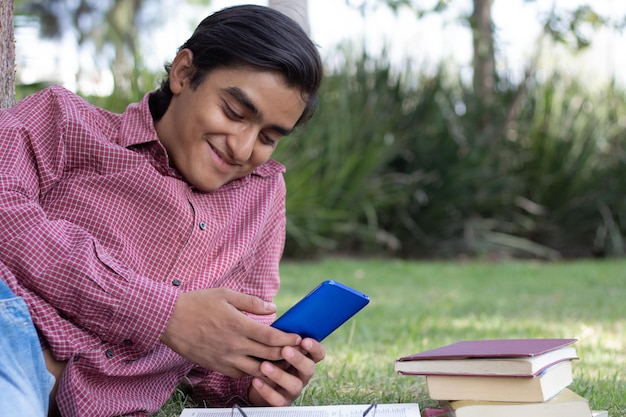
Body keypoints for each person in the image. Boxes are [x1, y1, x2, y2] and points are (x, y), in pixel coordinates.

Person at [0, 4, 324, 417]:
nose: (243, 148)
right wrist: (163, 314)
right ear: (184, 73)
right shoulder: (62, 121)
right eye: (234, 113)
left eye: (269, 137)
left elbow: (215, 367)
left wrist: (259, 379)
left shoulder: (261, 199)